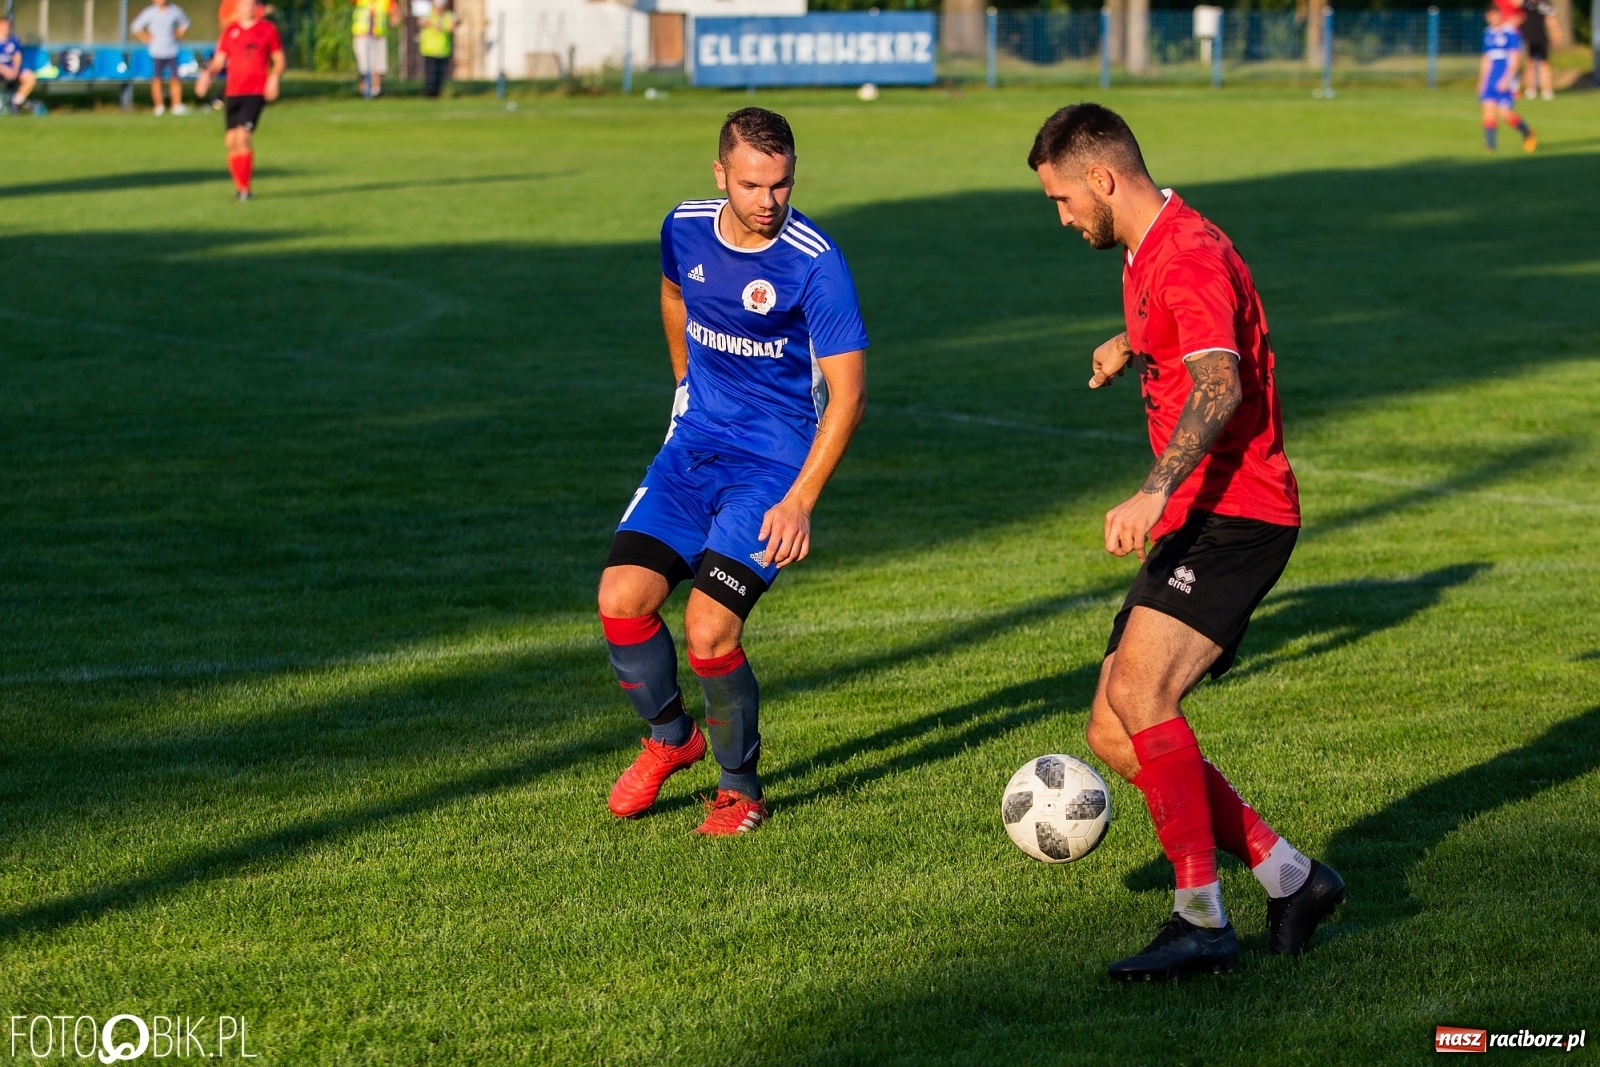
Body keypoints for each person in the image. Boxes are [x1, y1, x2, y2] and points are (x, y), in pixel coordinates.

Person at [1028, 103, 1345, 980]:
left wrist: (1151, 489)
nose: (1062, 219)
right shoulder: (1147, 247)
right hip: (1202, 514)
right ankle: (1292, 877)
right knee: (1113, 728)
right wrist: (1133, 340)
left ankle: (1200, 915)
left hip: (1236, 512)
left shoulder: (1187, 252)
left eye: (1061, 200)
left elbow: (1220, 379)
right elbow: (1195, 327)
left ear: (1101, 178)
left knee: (1142, 689)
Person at [597, 107, 868, 836]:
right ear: (721, 175)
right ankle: (668, 737)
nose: (768, 201)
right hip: (693, 449)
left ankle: (740, 789)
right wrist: (684, 386)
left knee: (708, 627)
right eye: (751, 184)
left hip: (772, 466)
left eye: (781, 184)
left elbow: (850, 392)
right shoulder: (683, 226)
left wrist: (802, 499)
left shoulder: (815, 260)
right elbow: (674, 295)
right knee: (622, 597)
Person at [194, 0, 283, 201]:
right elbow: (219, 61)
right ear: (238, 8)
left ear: (256, 7)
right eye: (244, 4)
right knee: (231, 141)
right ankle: (240, 187)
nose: (248, 7)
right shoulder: (230, 31)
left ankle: (244, 189)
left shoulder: (267, 30)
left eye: (251, 4)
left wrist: (274, 78)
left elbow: (279, 59)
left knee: (243, 137)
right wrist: (207, 75)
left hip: (256, 91)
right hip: (233, 91)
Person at [1479, 4, 1535, 152]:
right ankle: (1490, 146)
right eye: (1489, 16)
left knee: (1504, 113)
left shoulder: (1510, 32)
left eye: (1495, 15)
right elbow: (1486, 59)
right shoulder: (1488, 33)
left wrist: (1507, 79)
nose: (1492, 19)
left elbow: (1515, 58)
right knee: (1488, 111)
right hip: (1491, 79)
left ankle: (1527, 132)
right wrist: (1482, 81)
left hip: (1505, 79)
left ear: (1500, 15)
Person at [131, 0, 192, 116]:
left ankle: (176, 105)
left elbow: (185, 23)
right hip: (156, 51)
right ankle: (159, 106)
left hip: (172, 50)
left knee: (175, 78)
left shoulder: (175, 10)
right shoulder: (149, 12)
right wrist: (146, 38)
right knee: (157, 79)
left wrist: (178, 34)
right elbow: (135, 27)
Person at [351, 0, 397, 98]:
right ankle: (364, 92)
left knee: (378, 66)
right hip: (362, 35)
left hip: (378, 36)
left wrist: (394, 18)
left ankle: (375, 92)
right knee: (364, 67)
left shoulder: (385, 1)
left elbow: (394, 12)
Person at [1518, 0, 1560, 100]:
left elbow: (1551, 19)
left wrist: (1555, 33)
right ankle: (1531, 89)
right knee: (1530, 64)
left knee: (1544, 64)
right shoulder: (1524, 4)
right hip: (1528, 38)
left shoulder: (1544, 4)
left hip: (1541, 38)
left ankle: (1547, 89)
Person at [0, 16, 40, 114]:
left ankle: (15, 102)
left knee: (30, 77)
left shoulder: (14, 40)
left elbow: (17, 56)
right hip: (2, 69)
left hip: (12, 69)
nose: (6, 28)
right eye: (4, 26)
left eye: (8, 26)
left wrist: (15, 69)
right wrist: (3, 69)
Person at [418, 0, 454, 99]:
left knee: (439, 75)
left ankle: (437, 94)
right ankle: (429, 94)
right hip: (429, 50)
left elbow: (452, 26)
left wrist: (438, 25)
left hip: (443, 50)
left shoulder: (447, 15)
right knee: (430, 75)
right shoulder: (429, 14)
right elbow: (421, 22)